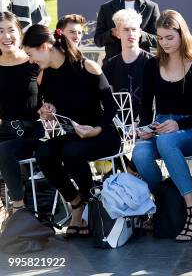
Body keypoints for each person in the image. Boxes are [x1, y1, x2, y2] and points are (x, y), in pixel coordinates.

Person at [22, 24, 119, 238]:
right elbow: (46, 107)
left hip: (104, 135)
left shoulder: (88, 67)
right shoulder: (42, 76)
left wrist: (95, 129)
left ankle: (88, 202)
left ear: (45, 46)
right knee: (44, 153)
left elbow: (112, 107)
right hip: (74, 136)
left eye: (30, 54)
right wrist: (46, 111)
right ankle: (77, 202)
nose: (30, 60)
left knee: (71, 152)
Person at [132, 10, 192, 242]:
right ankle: (164, 201)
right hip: (160, 125)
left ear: (182, 35)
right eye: (160, 38)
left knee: (167, 141)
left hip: (191, 127)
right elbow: (146, 105)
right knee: (139, 153)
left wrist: (177, 123)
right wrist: (146, 127)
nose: (164, 43)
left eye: (169, 37)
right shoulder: (152, 65)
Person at [0, 12, 44, 213]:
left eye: (11, 30)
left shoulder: (34, 63)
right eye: (0, 31)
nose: (6, 36)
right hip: (3, 132)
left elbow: (51, 97)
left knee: (4, 151)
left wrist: (49, 109)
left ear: (20, 33)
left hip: (29, 133)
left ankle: (18, 207)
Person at [94, 0, 160, 60]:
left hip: (142, 64)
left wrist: (141, 35)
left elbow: (159, 39)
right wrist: (111, 33)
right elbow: (98, 41)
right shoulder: (106, 8)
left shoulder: (151, 7)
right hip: (113, 65)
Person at [102, 9, 153, 121]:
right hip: (120, 126)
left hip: (148, 126)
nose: (131, 34)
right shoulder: (109, 66)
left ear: (140, 32)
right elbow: (106, 101)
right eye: (126, 30)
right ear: (117, 33)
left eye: (134, 29)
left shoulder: (152, 63)